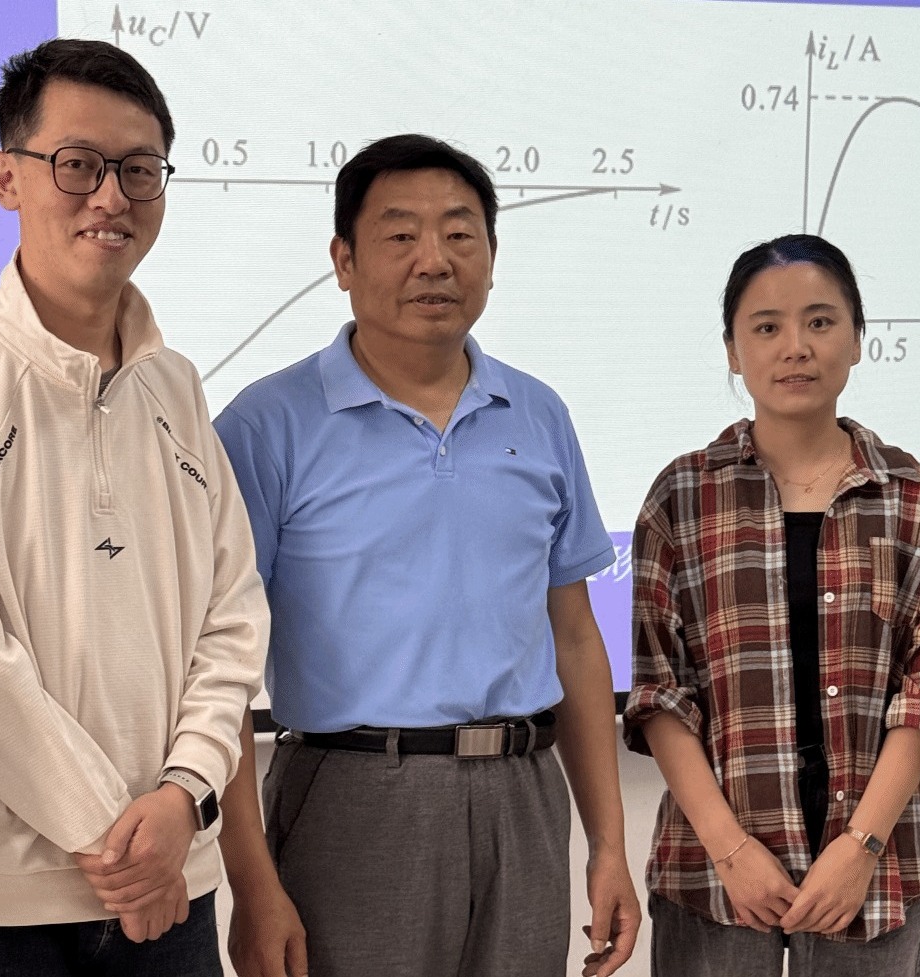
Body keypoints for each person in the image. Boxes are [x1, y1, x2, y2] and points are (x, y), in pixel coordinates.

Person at [0, 38, 277, 976]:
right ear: (7, 176)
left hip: (177, 882)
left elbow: (233, 619)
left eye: (139, 169)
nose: (111, 197)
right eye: (78, 165)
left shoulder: (177, 386)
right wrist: (116, 842)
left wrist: (182, 796)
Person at [213, 133, 641, 977]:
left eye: (459, 233)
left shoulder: (539, 414)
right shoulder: (265, 426)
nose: (434, 260)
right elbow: (215, 664)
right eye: (401, 234)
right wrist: (252, 882)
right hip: (354, 793)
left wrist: (608, 843)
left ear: (491, 257)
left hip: (524, 793)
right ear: (343, 260)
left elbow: (576, 638)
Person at [623, 233, 920, 975]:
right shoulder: (681, 496)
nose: (796, 347)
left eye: (820, 321)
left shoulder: (910, 495)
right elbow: (659, 694)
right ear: (733, 350)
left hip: (873, 868)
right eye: (767, 326)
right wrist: (732, 850)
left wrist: (860, 846)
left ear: (857, 339)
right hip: (714, 872)